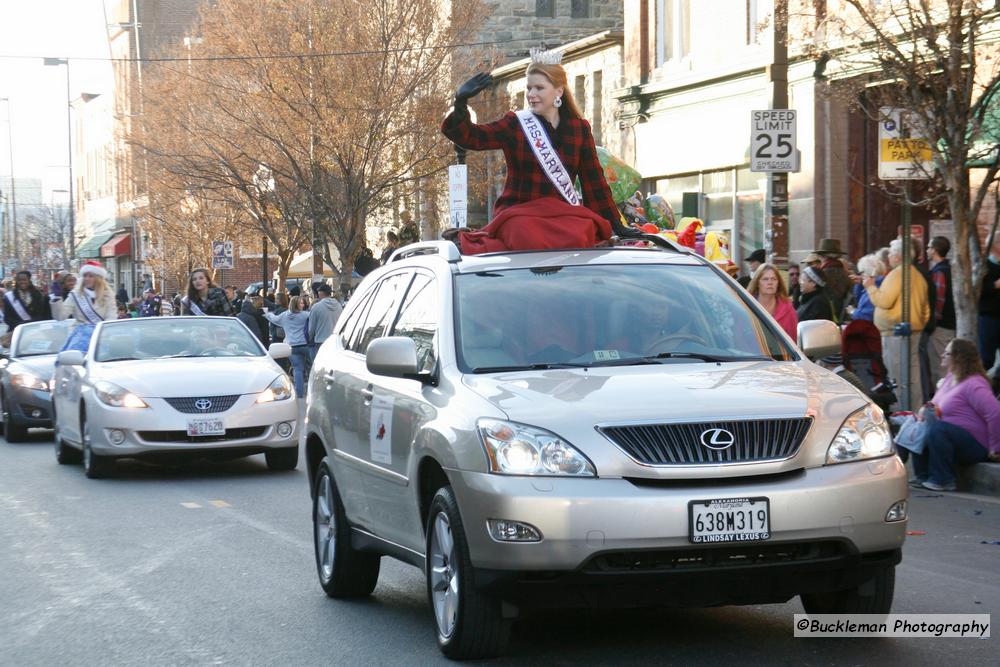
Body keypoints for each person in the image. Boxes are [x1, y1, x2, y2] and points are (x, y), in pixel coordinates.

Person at [441, 51, 623, 254]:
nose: (531, 94)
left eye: (539, 88)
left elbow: (594, 182)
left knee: (582, 232)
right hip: (519, 213)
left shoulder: (578, 129)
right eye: (529, 88)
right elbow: (471, 137)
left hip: (561, 215)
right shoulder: (516, 124)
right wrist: (460, 103)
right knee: (526, 235)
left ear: (559, 91)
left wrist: (615, 224)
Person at [910, 338, 1000, 491]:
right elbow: (935, 403)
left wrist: (996, 447)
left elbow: (994, 413)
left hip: (977, 445)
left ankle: (943, 479)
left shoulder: (974, 383)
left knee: (940, 430)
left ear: (958, 358)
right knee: (918, 426)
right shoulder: (951, 378)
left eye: (947, 353)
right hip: (951, 438)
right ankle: (923, 476)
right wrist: (924, 411)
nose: (943, 355)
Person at [864, 238, 930, 410]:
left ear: (899, 257)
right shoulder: (917, 275)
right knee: (912, 376)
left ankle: (900, 412)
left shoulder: (898, 274)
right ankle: (915, 410)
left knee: (897, 375)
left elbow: (884, 301)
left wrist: (870, 287)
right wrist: (920, 323)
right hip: (913, 330)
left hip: (896, 333)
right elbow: (926, 309)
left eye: (892, 254)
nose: (889, 258)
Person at [920, 236, 956, 399]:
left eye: (928, 247)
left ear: (934, 250)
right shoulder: (948, 269)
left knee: (939, 366)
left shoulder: (939, 272)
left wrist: (932, 323)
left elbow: (938, 302)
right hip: (949, 324)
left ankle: (942, 400)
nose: (926, 250)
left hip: (941, 326)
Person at [263, 295, 311, 396]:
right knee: (310, 368)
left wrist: (267, 313)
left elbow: (274, 319)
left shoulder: (285, 315)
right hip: (305, 344)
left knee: (297, 369)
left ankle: (299, 393)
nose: (303, 305)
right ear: (298, 305)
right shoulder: (306, 315)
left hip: (291, 346)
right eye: (301, 303)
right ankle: (312, 391)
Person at [748, 263, 798, 339]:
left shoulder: (788, 310)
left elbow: (794, 343)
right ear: (757, 283)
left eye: (773, 279)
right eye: (765, 279)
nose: (770, 283)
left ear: (778, 283)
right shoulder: (747, 306)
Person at [814, 238, 851, 319]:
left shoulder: (822, 274)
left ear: (824, 257)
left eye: (819, 256)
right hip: (842, 315)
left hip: (826, 315)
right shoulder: (845, 273)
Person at [979, 233, 1000, 371]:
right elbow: (977, 292)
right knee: (987, 357)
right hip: (989, 318)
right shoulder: (983, 266)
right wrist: (995, 285)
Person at [848, 253, 887, 322]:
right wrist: (860, 284)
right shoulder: (882, 283)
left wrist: (853, 312)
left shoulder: (873, 287)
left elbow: (866, 315)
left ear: (865, 272)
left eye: (860, 272)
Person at [308, 283, 343, 358]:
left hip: (321, 341)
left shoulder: (316, 307)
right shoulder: (339, 306)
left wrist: (310, 338)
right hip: (335, 341)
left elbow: (311, 328)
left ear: (320, 293)